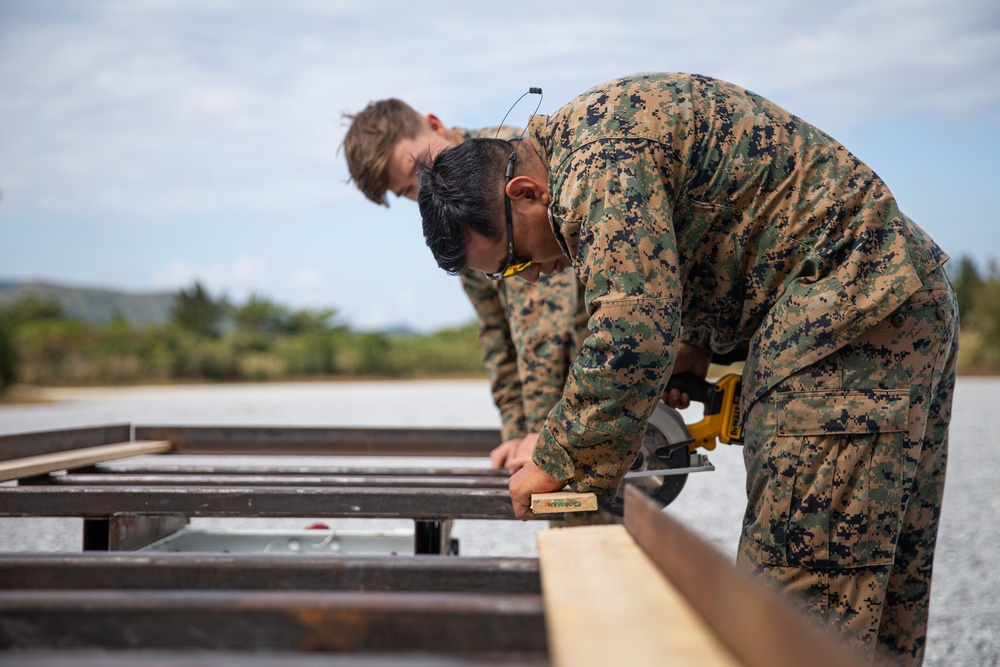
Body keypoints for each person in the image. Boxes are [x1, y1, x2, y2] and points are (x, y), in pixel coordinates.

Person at [416, 72, 958, 666]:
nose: (536, 277)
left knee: (797, 607)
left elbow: (630, 332)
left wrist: (555, 459)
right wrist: (697, 342)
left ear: (524, 193)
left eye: (514, 264)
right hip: (889, 303)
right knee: (881, 593)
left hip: (847, 322)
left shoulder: (596, 168)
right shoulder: (587, 136)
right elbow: (718, 229)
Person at [340, 99, 588, 476]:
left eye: (420, 169)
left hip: (592, 352)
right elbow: (495, 327)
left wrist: (540, 433)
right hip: (561, 388)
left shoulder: (504, 162)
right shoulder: (451, 210)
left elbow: (541, 315)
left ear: (435, 125)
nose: (426, 187)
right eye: (410, 189)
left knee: (578, 501)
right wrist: (515, 432)